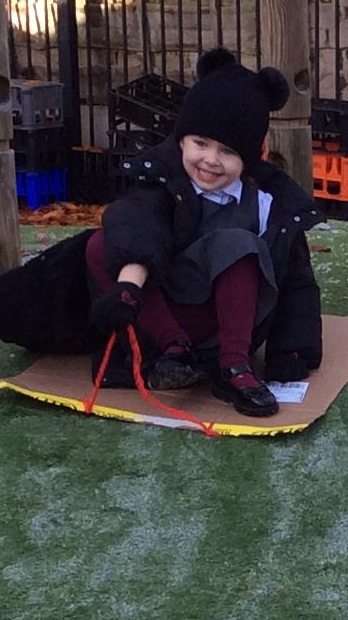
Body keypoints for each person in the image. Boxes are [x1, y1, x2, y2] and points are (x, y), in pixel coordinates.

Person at [85, 49, 325, 418]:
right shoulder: (158, 178)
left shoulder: (269, 203)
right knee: (102, 242)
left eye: (227, 151)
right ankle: (174, 353)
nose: (211, 160)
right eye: (200, 143)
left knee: (239, 243)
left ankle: (234, 368)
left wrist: (292, 350)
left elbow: (297, 282)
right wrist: (129, 289)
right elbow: (138, 227)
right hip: (158, 315)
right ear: (181, 140)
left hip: (224, 324)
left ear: (250, 157)